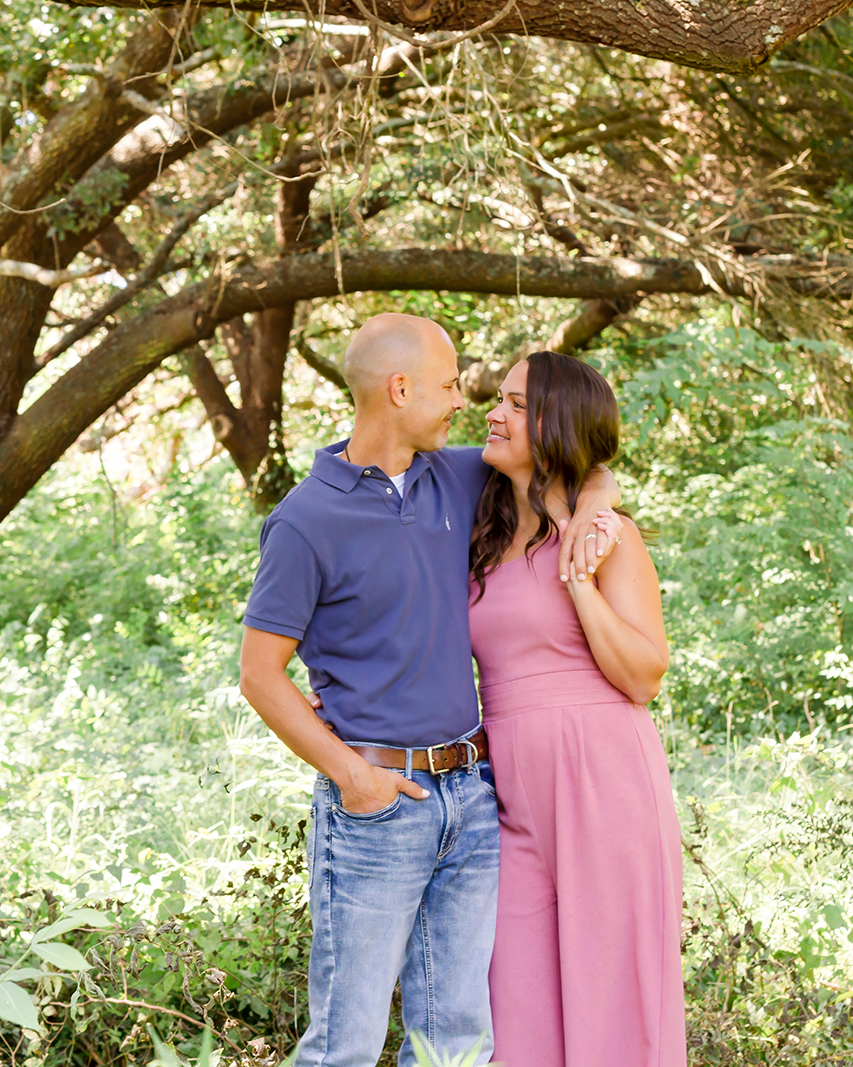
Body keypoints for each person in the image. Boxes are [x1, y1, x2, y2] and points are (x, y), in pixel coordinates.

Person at [238, 315, 619, 1067]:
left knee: (457, 1042)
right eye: (449, 385)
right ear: (399, 388)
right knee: (343, 1043)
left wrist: (596, 501)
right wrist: (353, 775)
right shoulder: (305, 522)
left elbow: (577, 460)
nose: (463, 402)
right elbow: (259, 673)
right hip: (379, 803)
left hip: (472, 798)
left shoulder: (460, 475)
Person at [469, 351, 684, 1067]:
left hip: (605, 778)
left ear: (556, 423)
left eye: (515, 403)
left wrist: (579, 577)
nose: (494, 415)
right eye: (495, 399)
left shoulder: (608, 535)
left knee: (613, 998)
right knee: (516, 1004)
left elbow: (643, 675)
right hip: (508, 791)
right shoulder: (480, 528)